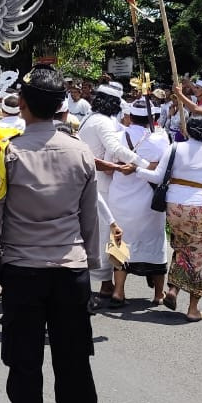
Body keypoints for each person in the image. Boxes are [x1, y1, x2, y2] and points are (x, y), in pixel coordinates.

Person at [0, 65, 101, 403]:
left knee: (24, 360)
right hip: (70, 269)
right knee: (74, 354)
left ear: (22, 105)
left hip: (23, 271)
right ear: (62, 106)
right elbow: (90, 218)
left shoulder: (4, 154)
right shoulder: (80, 152)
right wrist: (91, 262)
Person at [137, 115, 202, 320]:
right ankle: (193, 309)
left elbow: (158, 177)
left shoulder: (175, 148)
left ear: (187, 130)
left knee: (182, 248)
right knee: (201, 257)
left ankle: (173, 290)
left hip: (176, 207)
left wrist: (137, 169)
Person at [76, 81, 144, 301]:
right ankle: (100, 284)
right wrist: (142, 162)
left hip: (88, 180)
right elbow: (115, 149)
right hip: (101, 183)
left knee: (96, 232)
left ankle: (105, 284)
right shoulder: (103, 122)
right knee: (105, 233)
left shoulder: (89, 118)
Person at [105, 99, 172, 307]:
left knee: (119, 243)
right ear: (153, 119)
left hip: (120, 198)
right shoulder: (161, 140)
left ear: (130, 117)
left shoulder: (117, 138)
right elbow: (163, 172)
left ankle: (118, 291)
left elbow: (108, 168)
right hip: (147, 202)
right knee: (154, 243)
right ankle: (159, 294)